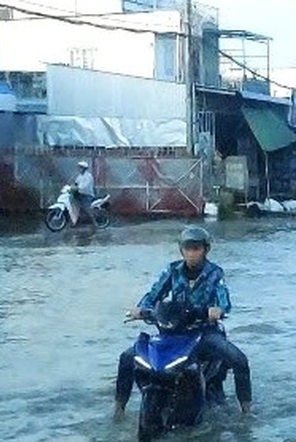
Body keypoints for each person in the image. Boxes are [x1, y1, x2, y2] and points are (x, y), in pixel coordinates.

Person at [115, 226, 252, 417]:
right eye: (188, 248)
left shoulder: (215, 273)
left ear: (205, 250)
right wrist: (142, 309)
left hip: (203, 332)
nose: (192, 253)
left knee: (239, 360)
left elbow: (224, 299)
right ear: (182, 250)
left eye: (197, 248)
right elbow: (154, 294)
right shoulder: (172, 271)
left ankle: (246, 411)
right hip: (172, 332)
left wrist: (218, 310)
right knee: (128, 357)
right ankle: (118, 410)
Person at [72, 161, 96, 226]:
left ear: (84, 168)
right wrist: (72, 186)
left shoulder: (88, 176)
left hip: (87, 195)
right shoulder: (80, 176)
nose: (79, 169)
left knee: (87, 208)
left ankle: (95, 223)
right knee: (76, 207)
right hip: (81, 194)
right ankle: (77, 222)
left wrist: (78, 187)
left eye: (80, 168)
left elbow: (85, 186)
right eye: (79, 168)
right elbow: (76, 182)